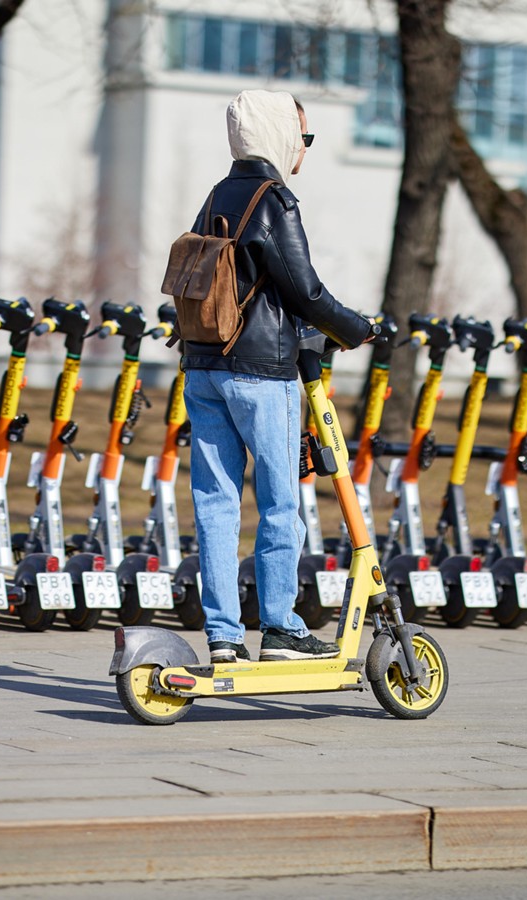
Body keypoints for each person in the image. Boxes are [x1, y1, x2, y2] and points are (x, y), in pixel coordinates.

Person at [181, 90, 373, 664]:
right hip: (262, 375)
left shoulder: (217, 194)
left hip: (203, 367)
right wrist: (359, 329)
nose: (304, 150)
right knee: (279, 502)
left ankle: (221, 635)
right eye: (303, 137)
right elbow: (304, 291)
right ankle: (282, 628)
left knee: (214, 502)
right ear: (278, 134)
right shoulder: (275, 201)